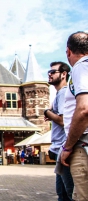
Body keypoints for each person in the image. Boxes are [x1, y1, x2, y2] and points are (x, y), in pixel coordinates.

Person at [60, 31, 88, 201]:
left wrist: (68, 147)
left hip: (83, 145)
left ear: (68, 51)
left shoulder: (81, 66)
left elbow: (84, 109)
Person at [44, 61, 74, 201]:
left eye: (52, 72)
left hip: (63, 148)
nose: (49, 75)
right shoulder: (61, 94)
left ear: (63, 74)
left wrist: (47, 112)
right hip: (59, 148)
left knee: (68, 193)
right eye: (48, 72)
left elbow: (63, 121)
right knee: (62, 193)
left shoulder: (63, 93)